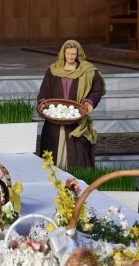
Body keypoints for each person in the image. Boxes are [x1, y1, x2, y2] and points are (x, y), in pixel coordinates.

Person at [37, 40, 105, 169]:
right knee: (53, 147)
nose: (70, 57)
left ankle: (76, 179)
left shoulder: (87, 71)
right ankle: (54, 176)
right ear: (63, 53)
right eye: (68, 53)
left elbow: (97, 89)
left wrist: (89, 102)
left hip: (76, 118)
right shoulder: (53, 70)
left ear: (78, 54)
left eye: (73, 54)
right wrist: (42, 103)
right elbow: (44, 91)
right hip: (54, 119)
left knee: (76, 152)